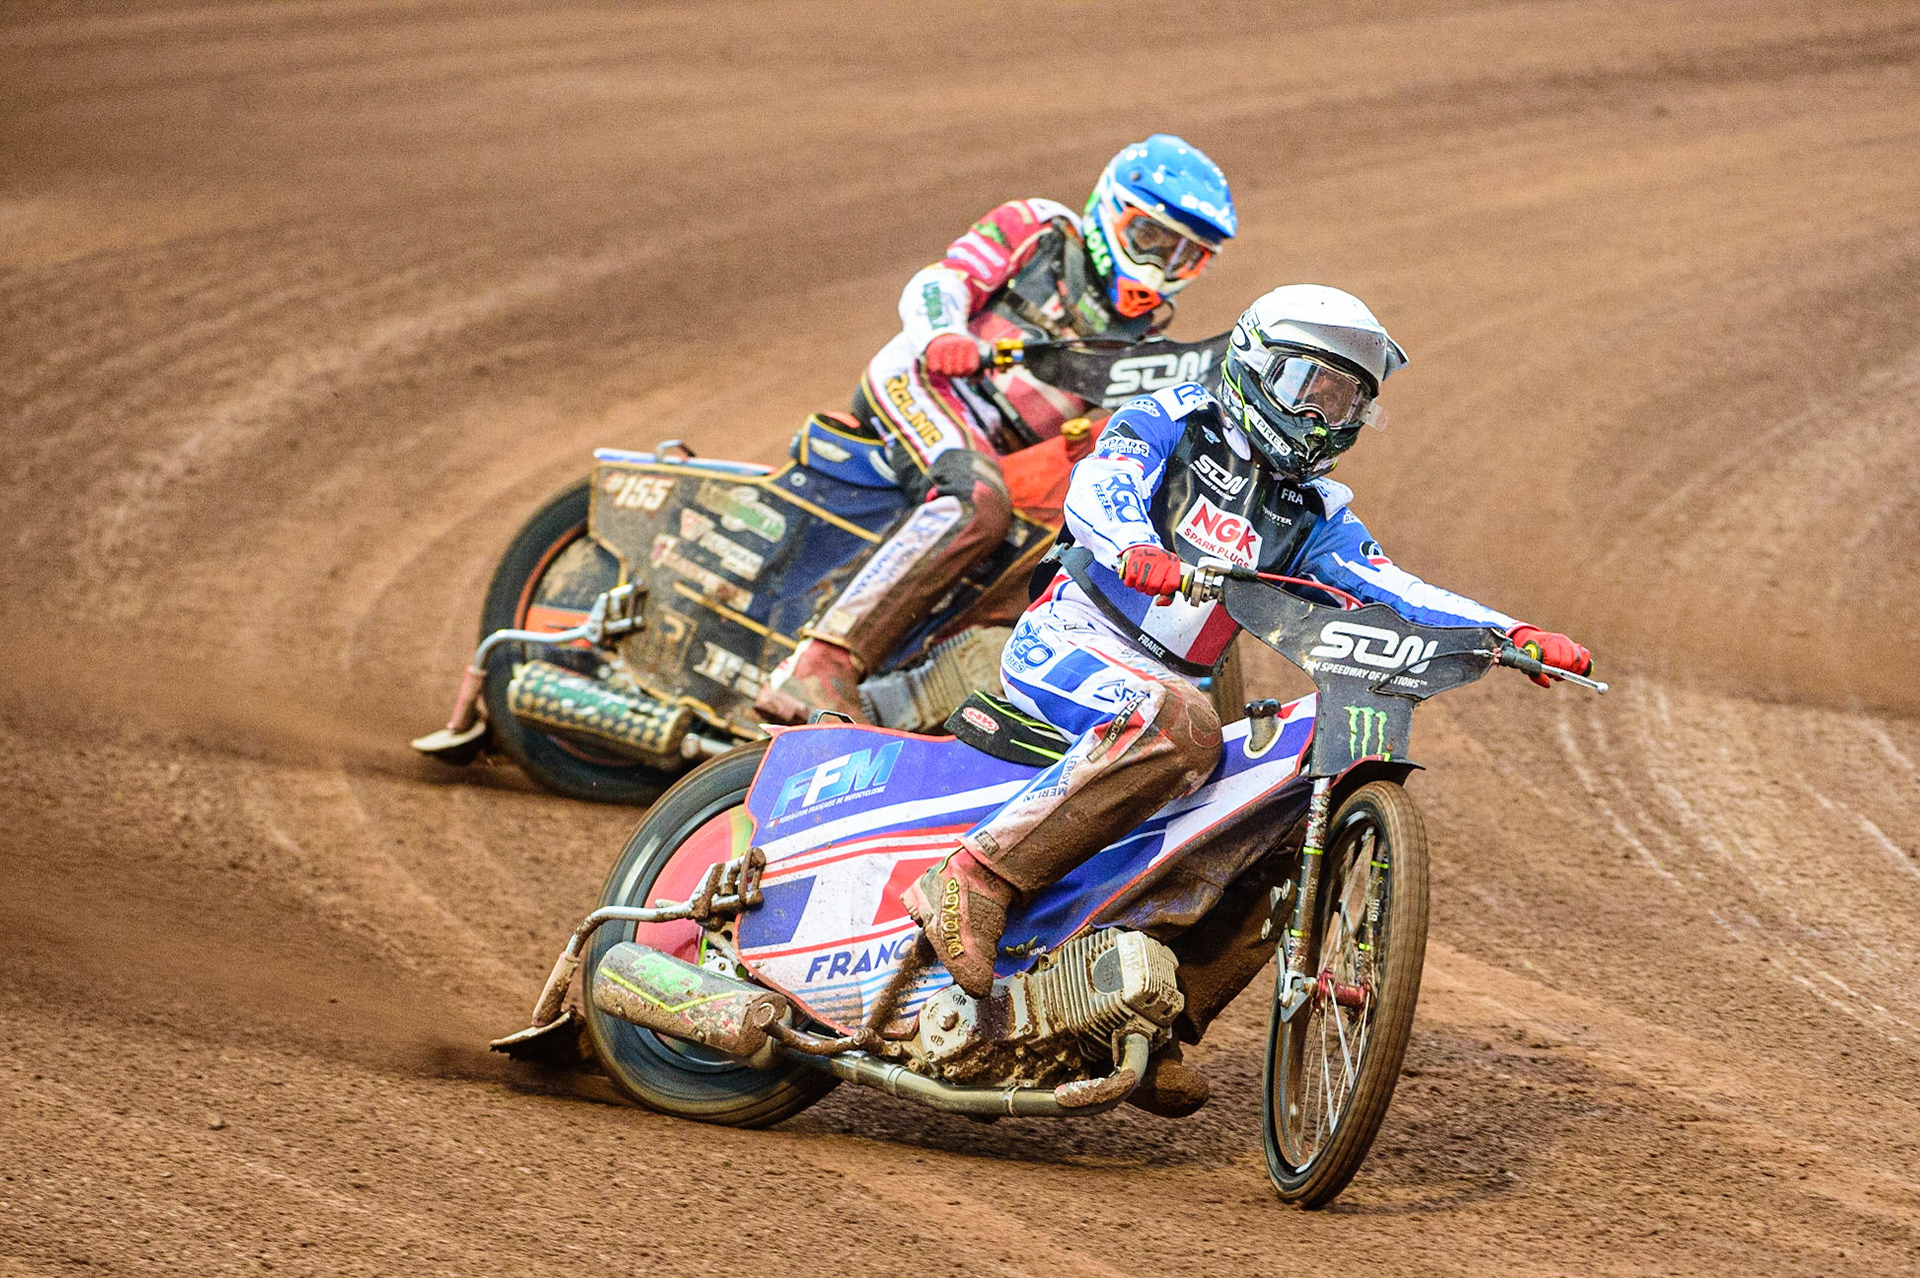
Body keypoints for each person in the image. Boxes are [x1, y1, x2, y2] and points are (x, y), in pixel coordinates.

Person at [900, 284, 1594, 1114]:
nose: (1323, 417)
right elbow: (1101, 486)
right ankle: (972, 879)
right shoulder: (1176, 420)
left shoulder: (1313, 510)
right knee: (1182, 722)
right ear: (1258, 366)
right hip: (1073, 641)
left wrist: (1513, 633)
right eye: (1312, 387)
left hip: (1170, 691)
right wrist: (1133, 548)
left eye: (1345, 402)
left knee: (1290, 806)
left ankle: (1147, 1020)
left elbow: (1390, 586)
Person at [756, 135, 1237, 724]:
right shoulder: (1038, 230)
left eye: (1184, 257)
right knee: (978, 500)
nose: (1161, 267)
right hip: (924, 386)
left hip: (1002, 454)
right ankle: (819, 665)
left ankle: (913, 692)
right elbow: (941, 282)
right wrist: (944, 337)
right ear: (1111, 209)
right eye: (1151, 240)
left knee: (1070, 553)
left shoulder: (1147, 354)